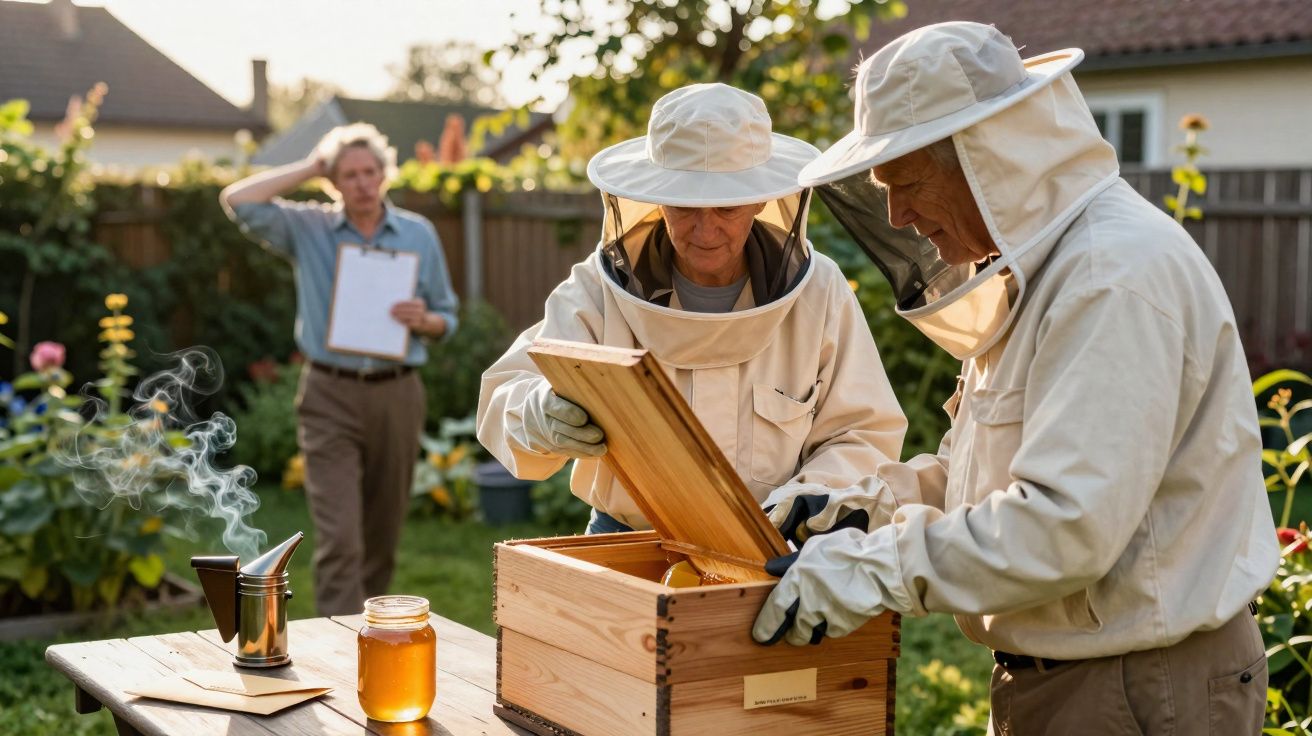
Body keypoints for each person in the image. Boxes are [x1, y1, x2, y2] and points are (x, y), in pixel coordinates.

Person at [752, 22, 1279, 734]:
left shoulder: (1107, 278)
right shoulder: (1043, 270)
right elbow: (990, 479)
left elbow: (1062, 525)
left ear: (987, 159)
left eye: (905, 184)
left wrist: (873, 567)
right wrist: (861, 504)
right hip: (1087, 679)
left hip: (1141, 685)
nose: (896, 215)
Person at [477, 83, 906, 536]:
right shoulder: (596, 290)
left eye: (725, 207)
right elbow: (508, 387)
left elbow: (862, 431)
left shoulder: (820, 292)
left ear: (761, 198)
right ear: (656, 198)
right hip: (627, 539)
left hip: (774, 545)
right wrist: (537, 412)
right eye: (685, 206)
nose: (705, 229)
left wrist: (803, 501)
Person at [221, 123, 458, 616]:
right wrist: (311, 165)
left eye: (370, 171)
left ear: (384, 174)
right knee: (340, 538)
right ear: (334, 181)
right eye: (348, 174)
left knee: (382, 536)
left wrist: (426, 320)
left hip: (398, 394)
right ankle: (336, 641)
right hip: (329, 395)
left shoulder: (418, 234)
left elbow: (447, 316)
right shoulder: (309, 228)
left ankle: (370, 635)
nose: (362, 183)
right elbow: (237, 199)